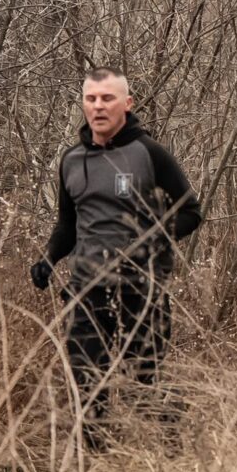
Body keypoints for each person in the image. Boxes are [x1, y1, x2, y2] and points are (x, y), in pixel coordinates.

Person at [31, 69, 202, 438]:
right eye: (91, 98)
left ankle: (176, 449)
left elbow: (191, 212)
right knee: (87, 384)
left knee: (142, 386)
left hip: (141, 289)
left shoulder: (149, 153)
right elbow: (67, 225)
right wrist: (48, 258)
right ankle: (95, 463)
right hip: (86, 289)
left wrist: (146, 243)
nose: (98, 106)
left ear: (127, 103)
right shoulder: (71, 160)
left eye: (107, 98)